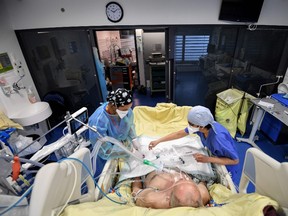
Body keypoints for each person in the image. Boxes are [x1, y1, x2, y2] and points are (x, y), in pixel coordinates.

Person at [148, 105, 239, 183]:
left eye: (191, 124)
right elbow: (179, 134)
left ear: (201, 126)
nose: (189, 126)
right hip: (215, 157)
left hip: (227, 167)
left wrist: (208, 159)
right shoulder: (202, 129)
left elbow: (235, 160)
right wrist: (158, 141)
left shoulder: (218, 138)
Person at [88, 88, 136, 177]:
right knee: (105, 175)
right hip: (106, 154)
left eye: (129, 108)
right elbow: (102, 148)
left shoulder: (125, 111)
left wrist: (134, 140)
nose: (127, 112)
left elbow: (129, 125)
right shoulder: (98, 120)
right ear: (113, 105)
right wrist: (123, 152)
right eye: (125, 109)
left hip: (120, 144)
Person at [131, 169, 210, 209]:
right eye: (187, 180)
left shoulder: (151, 199)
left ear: (168, 197)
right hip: (180, 163)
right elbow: (203, 182)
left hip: (150, 168)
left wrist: (136, 173)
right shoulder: (203, 195)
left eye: (180, 180)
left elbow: (135, 190)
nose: (182, 176)